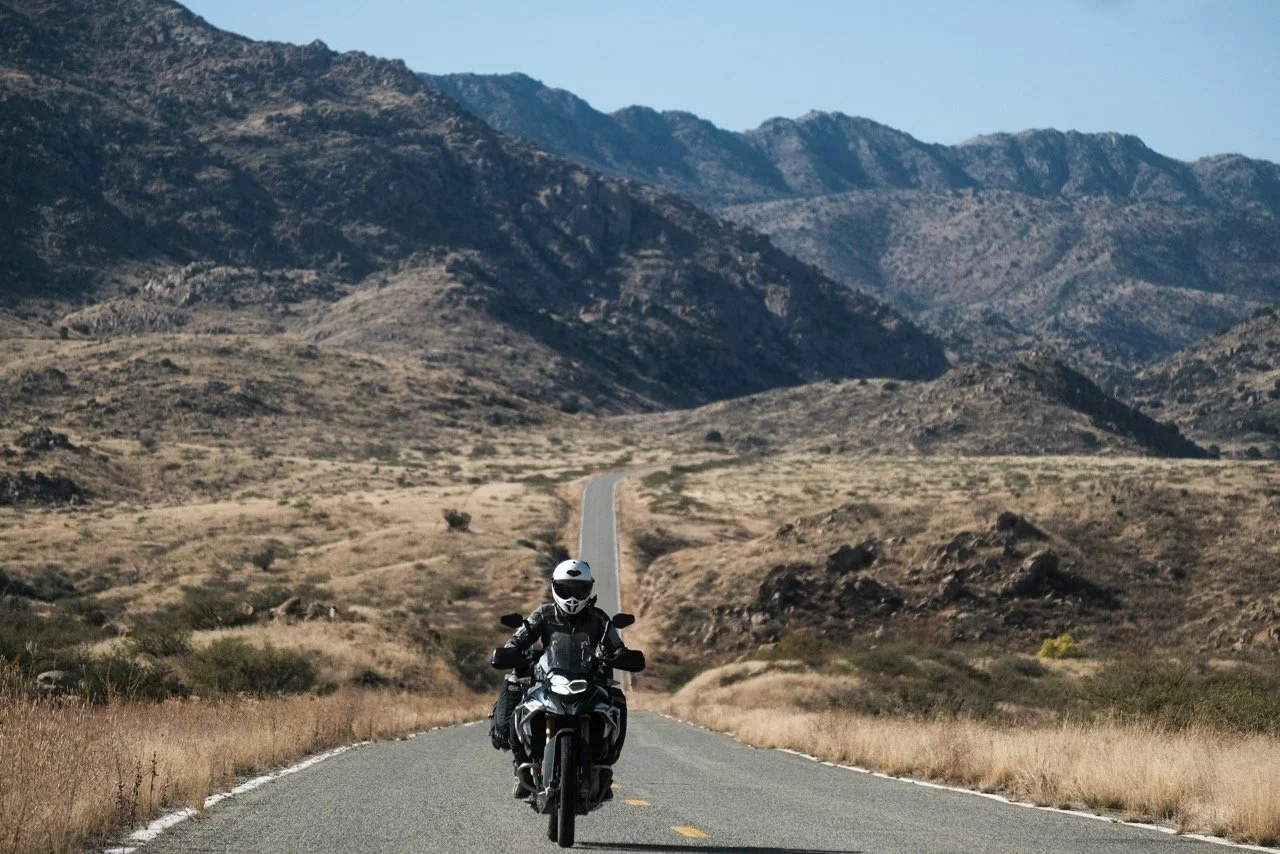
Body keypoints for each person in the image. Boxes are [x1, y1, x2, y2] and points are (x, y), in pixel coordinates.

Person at [490, 558, 634, 797]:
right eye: (566, 589)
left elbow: (616, 646)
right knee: (516, 694)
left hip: (588, 680)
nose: (572, 597)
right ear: (554, 586)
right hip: (547, 679)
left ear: (589, 589)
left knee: (615, 699)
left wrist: (621, 655)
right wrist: (512, 652)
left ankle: (604, 768)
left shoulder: (599, 618)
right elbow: (518, 639)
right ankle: (521, 767)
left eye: (579, 590)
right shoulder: (543, 614)